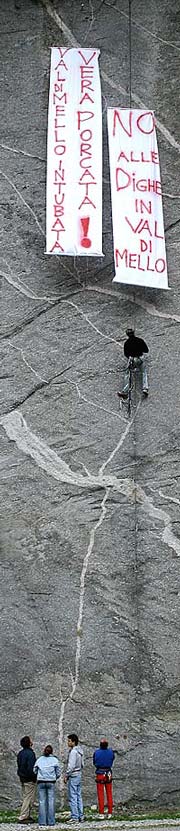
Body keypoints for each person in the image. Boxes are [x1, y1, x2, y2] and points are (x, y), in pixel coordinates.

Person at [33, 744, 60, 827]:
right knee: (51, 801)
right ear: (51, 752)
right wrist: (55, 777)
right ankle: (51, 821)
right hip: (51, 781)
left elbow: (34, 770)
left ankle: (42, 821)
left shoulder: (39, 759)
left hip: (41, 781)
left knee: (42, 801)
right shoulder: (55, 760)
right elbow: (58, 771)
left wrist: (39, 774)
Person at [118, 328, 149, 397]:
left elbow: (126, 354)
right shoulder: (140, 340)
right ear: (134, 333)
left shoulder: (126, 343)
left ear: (127, 335)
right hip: (140, 358)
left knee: (127, 374)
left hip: (132, 359)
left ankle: (125, 391)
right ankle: (145, 389)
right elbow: (146, 350)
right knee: (144, 373)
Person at [64, 733, 84, 823]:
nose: (68, 743)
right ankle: (81, 815)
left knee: (73, 796)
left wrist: (66, 775)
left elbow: (71, 766)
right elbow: (82, 764)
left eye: (69, 741)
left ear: (73, 742)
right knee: (78, 796)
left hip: (74, 775)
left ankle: (74, 817)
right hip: (79, 774)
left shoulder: (73, 752)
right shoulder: (80, 751)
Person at [93, 738, 115, 819]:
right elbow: (113, 759)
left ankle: (101, 813)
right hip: (108, 773)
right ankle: (110, 812)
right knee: (109, 793)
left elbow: (94, 762)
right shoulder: (111, 752)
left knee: (100, 794)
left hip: (100, 773)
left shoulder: (97, 752)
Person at [17, 735, 37, 823]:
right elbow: (31, 768)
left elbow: (19, 765)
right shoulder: (30, 753)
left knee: (27, 796)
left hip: (22, 777)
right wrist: (34, 778)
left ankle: (27, 815)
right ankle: (23, 816)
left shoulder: (20, 753)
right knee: (28, 798)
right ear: (29, 743)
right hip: (29, 779)